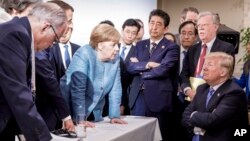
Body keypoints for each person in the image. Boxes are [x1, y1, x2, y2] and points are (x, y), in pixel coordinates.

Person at [0, 2, 68, 140]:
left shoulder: (18, 32)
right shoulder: (16, 35)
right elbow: (18, 94)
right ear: (45, 27)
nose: (51, 46)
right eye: (55, 39)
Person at [60, 24, 127, 127]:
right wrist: (80, 119)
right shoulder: (84, 53)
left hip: (95, 111)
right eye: (113, 45)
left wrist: (114, 116)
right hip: (71, 110)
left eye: (118, 44)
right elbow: (78, 90)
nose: (117, 49)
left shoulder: (116, 58)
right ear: (100, 45)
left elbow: (115, 89)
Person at [127, 9, 179, 141]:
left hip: (158, 99)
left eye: (158, 24)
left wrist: (141, 69)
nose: (154, 27)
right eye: (151, 23)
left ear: (165, 28)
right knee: (137, 136)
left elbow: (164, 69)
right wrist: (149, 65)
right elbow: (130, 67)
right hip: (138, 97)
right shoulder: (139, 45)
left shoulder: (171, 47)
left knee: (157, 137)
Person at [182, 52, 249, 141]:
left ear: (223, 72)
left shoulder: (234, 92)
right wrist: (197, 128)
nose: (204, 68)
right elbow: (185, 115)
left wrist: (193, 115)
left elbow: (213, 120)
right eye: (204, 64)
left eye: (210, 65)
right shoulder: (202, 88)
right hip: (197, 137)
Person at [180, 11, 235, 101]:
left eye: (204, 25)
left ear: (215, 27)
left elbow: (225, 76)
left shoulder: (226, 48)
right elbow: (184, 74)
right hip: (190, 98)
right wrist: (188, 90)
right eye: (198, 25)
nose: (200, 28)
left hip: (212, 99)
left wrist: (202, 93)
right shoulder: (192, 49)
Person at [47, 0, 80, 83]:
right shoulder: (45, 51)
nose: (66, 26)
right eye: (63, 22)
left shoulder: (80, 50)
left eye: (70, 21)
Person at [119, 18, 141, 115]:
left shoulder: (139, 51)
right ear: (122, 31)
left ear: (137, 35)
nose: (130, 35)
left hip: (127, 93)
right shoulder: (112, 47)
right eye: (127, 31)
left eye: (133, 33)